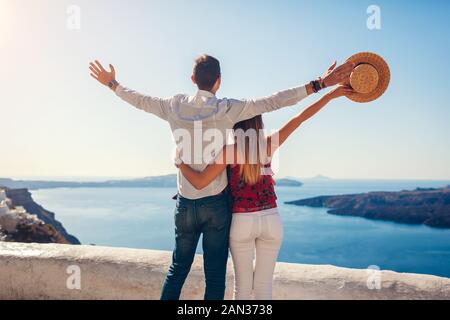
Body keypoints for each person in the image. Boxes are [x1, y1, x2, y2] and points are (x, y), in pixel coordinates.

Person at [89, 54, 354, 300]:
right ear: (219, 81)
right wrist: (320, 85)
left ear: (193, 79)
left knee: (178, 268)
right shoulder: (231, 112)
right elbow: (277, 101)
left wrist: (112, 84)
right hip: (219, 207)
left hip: (186, 204)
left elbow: (140, 100)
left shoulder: (175, 107)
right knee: (216, 275)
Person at [177, 85, 353, 299]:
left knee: (241, 288)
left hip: (241, 222)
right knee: (263, 287)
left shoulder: (230, 151)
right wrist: (331, 95)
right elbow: (299, 118)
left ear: (235, 125)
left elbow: (200, 182)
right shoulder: (269, 145)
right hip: (271, 220)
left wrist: (181, 164)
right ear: (258, 124)